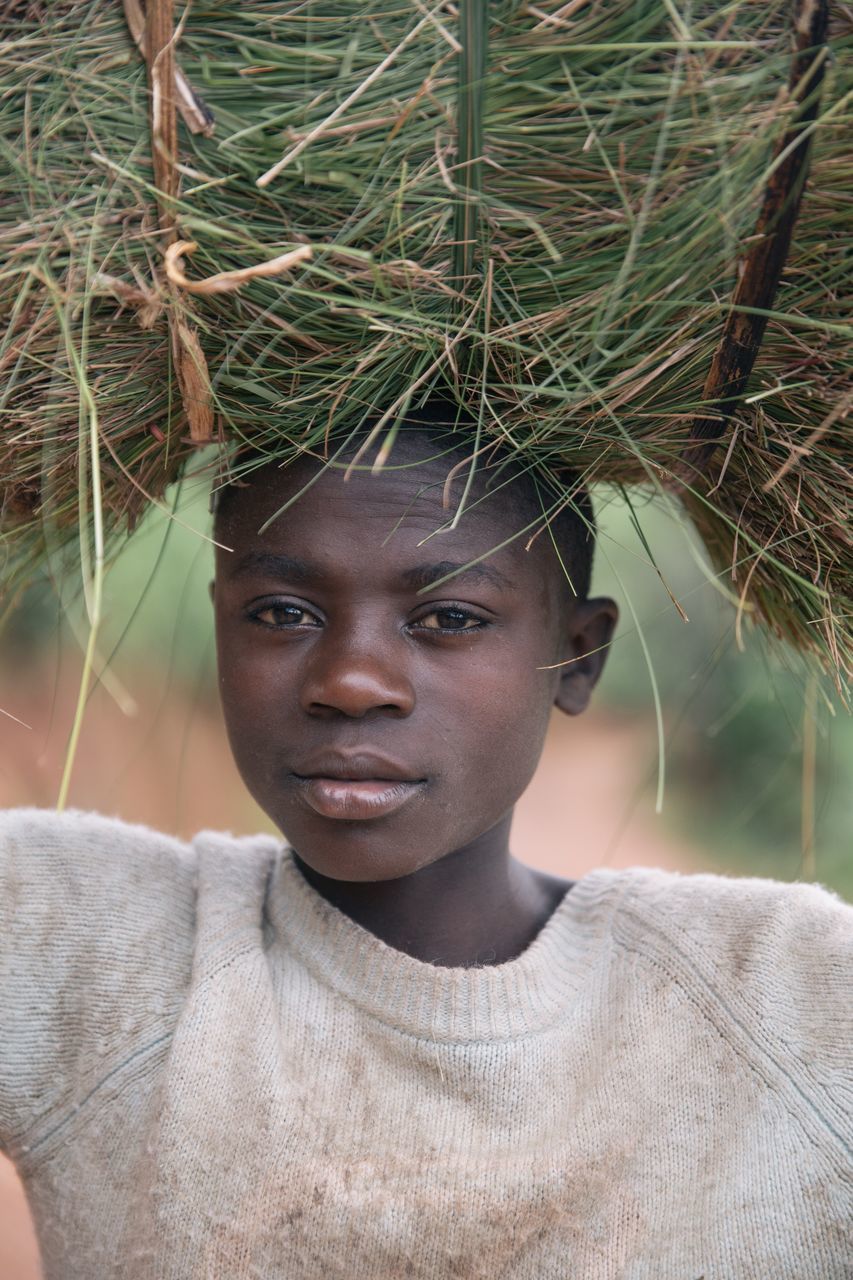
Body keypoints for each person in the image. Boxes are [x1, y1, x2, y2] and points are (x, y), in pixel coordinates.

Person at [1, 411, 850, 1279]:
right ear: (220, 627)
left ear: (577, 658)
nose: (350, 681)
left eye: (447, 617)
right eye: (282, 612)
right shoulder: (87, 945)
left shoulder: (789, 995)